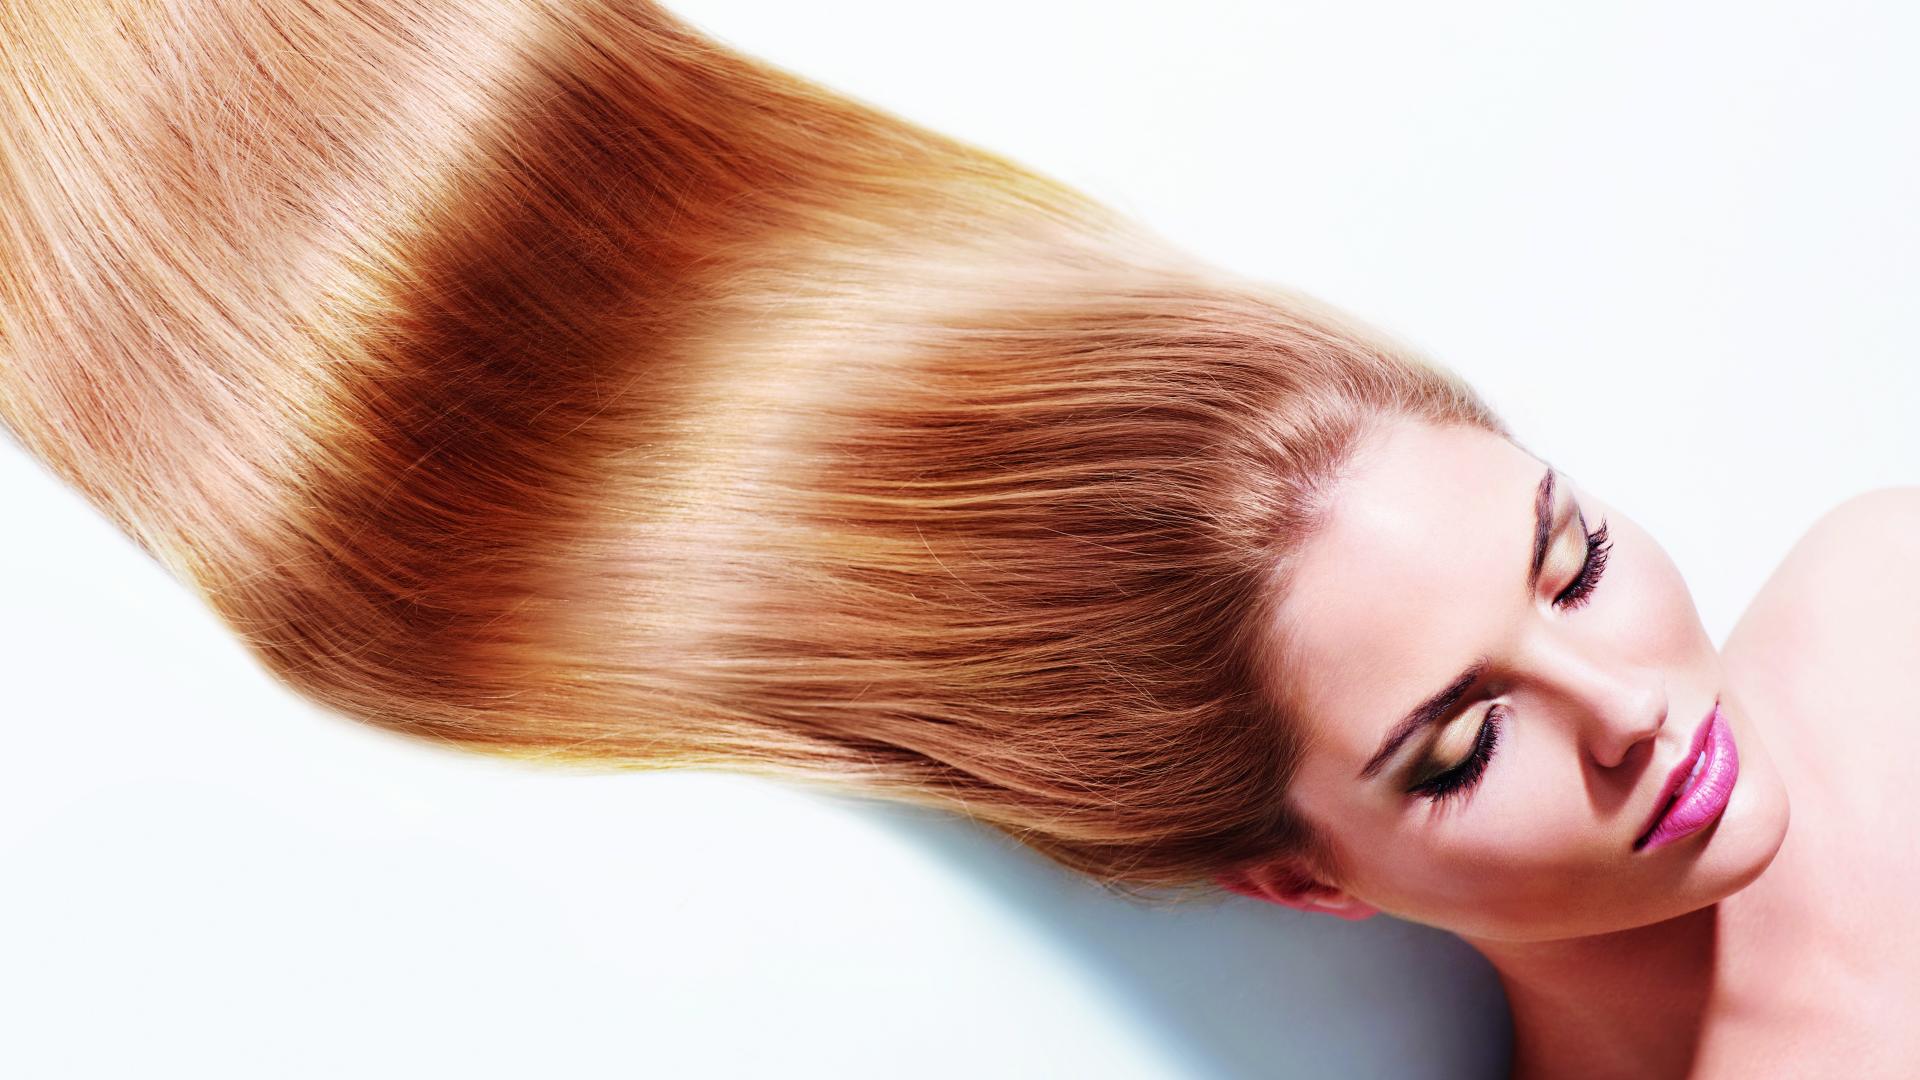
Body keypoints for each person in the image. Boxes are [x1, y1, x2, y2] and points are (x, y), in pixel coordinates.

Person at [0, 1, 1909, 1075]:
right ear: (1302, 881)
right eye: (1460, 744)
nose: (1632, 709)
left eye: (1572, 559)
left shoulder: (1882, 600)